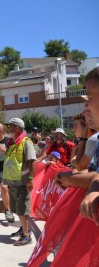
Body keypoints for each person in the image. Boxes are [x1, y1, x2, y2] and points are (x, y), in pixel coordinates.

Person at [56, 67, 99, 225]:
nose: (85, 107)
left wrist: (70, 178)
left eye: (89, 98)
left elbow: (80, 165)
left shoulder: (94, 139)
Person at [3, 118, 37, 246]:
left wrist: (30, 179)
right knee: (17, 209)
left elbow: (33, 161)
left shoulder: (26, 142)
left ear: (17, 127)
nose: (8, 128)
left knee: (22, 210)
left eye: (10, 126)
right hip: (13, 181)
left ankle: (26, 236)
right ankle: (24, 229)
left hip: (22, 182)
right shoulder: (12, 143)